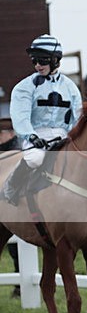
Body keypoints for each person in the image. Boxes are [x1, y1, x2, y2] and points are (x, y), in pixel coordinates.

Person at [2, 35, 83, 206]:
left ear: (55, 60)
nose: (38, 65)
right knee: (35, 159)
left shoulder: (71, 87)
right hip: (36, 134)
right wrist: (31, 136)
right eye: (34, 61)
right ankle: (11, 185)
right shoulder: (24, 87)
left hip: (63, 136)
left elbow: (77, 117)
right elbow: (20, 117)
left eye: (42, 60)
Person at [0, 121, 21, 296]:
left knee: (16, 249)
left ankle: (19, 285)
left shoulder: (17, 151)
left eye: (2, 133)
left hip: (15, 205)